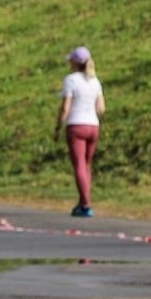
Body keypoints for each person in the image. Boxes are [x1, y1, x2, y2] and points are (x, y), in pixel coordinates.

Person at [56, 46, 104, 217]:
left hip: (76, 125)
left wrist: (58, 126)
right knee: (87, 165)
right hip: (93, 125)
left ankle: (85, 204)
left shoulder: (71, 80)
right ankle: (83, 200)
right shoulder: (95, 81)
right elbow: (101, 108)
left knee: (79, 165)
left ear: (75, 62)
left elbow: (65, 107)